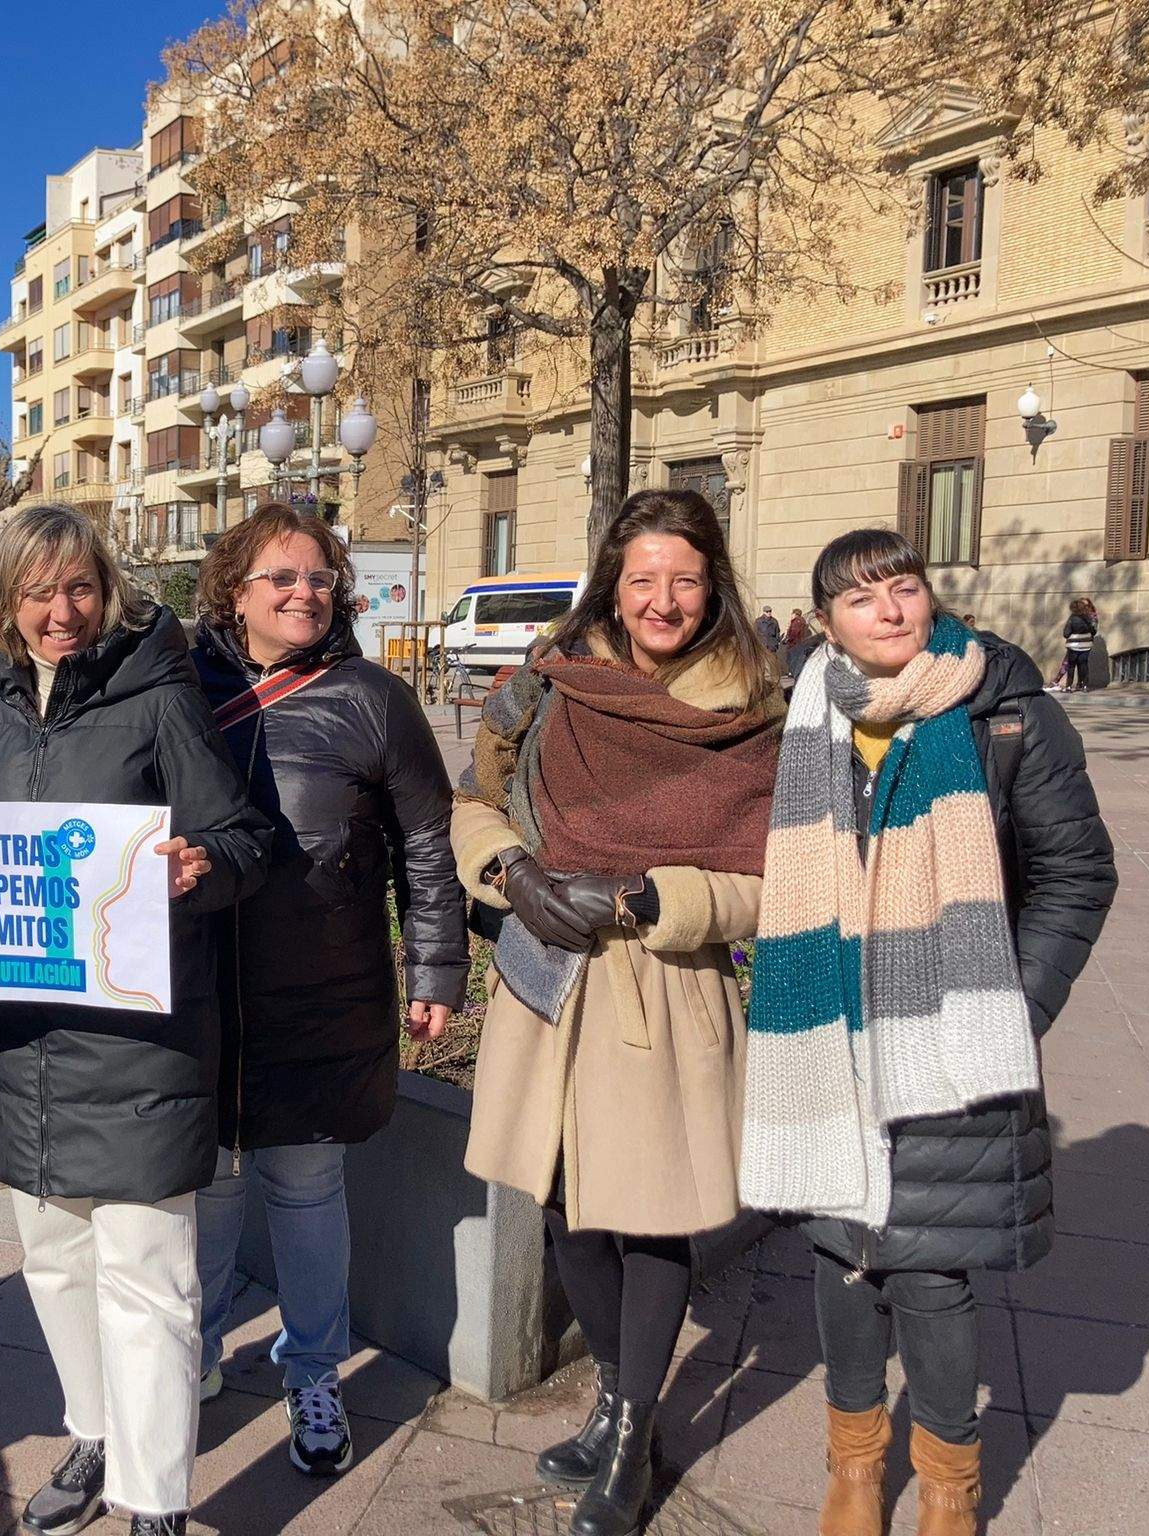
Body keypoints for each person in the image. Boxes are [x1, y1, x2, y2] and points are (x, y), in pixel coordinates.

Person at [0, 505, 270, 1536]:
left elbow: (243, 838)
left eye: (79, 587)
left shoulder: (160, 693)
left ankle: (154, 1497)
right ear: (4, 601)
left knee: (149, 1278)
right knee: (54, 1263)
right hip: (23, 1042)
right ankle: (92, 1432)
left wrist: (201, 865)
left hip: (139, 1045)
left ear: (107, 589)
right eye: (38, 592)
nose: (62, 612)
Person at [742, 529, 1114, 1536]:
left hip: (954, 1033)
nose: (889, 610)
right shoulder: (804, 711)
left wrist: (1009, 1008)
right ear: (825, 624)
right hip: (827, 1031)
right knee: (839, 1252)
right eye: (861, 599)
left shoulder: (1001, 708)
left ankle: (949, 1484)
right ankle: (854, 1467)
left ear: (927, 596)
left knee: (928, 1267)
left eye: (902, 588)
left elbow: (1077, 873)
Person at [451, 489, 784, 1536]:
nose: (662, 601)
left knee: (651, 1218)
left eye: (684, 580)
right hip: (546, 981)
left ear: (713, 586)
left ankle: (633, 1437)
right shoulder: (551, 683)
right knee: (562, 1206)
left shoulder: (754, 709)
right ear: (613, 583)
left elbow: (777, 880)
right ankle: (613, 1401)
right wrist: (511, 871)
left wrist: (654, 898)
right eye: (642, 579)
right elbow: (472, 802)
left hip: (664, 989)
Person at [188, 506, 468, 1476]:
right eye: (281, 577)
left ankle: (312, 1370)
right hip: (199, 990)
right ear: (235, 592)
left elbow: (425, 843)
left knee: (306, 1188)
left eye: (318, 578)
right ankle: (191, 1359)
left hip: (323, 987)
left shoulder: (374, 698)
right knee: (207, 1188)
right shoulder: (177, 687)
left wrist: (434, 968)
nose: (303, 593)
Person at [1056, 597, 1097, 693]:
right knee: (1083, 665)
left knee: (1071, 666)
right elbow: (1093, 631)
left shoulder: (1072, 619)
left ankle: (1069, 687)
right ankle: (1085, 685)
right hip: (1086, 646)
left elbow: (1066, 634)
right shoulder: (1089, 618)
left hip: (1073, 646)